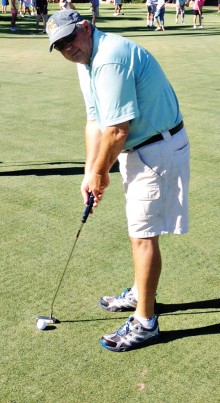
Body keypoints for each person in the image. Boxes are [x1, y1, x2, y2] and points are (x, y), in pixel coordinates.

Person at [46, 10, 190, 353]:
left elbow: (117, 130)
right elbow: (95, 121)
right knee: (137, 230)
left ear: (85, 26)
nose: (68, 48)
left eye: (70, 38)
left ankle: (145, 322)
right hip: (138, 149)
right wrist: (89, 171)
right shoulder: (87, 60)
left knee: (142, 235)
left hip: (156, 149)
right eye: (60, 45)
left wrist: (99, 174)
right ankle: (142, 294)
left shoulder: (110, 58)